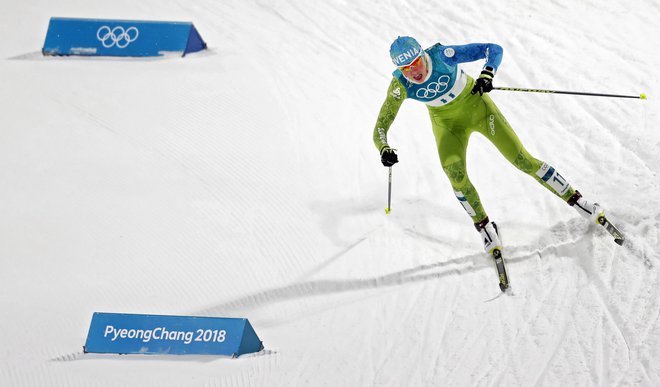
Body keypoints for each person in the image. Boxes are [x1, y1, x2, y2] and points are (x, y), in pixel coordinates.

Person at [372, 36, 610, 283]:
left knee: (522, 160)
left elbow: (492, 49)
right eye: (406, 69)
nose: (414, 72)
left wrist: (487, 74)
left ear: (423, 55)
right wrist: (384, 148)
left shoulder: (443, 55)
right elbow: (380, 126)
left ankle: (578, 200)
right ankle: (485, 228)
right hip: (447, 126)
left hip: (479, 110)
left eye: (416, 63)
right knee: (455, 175)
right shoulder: (400, 85)